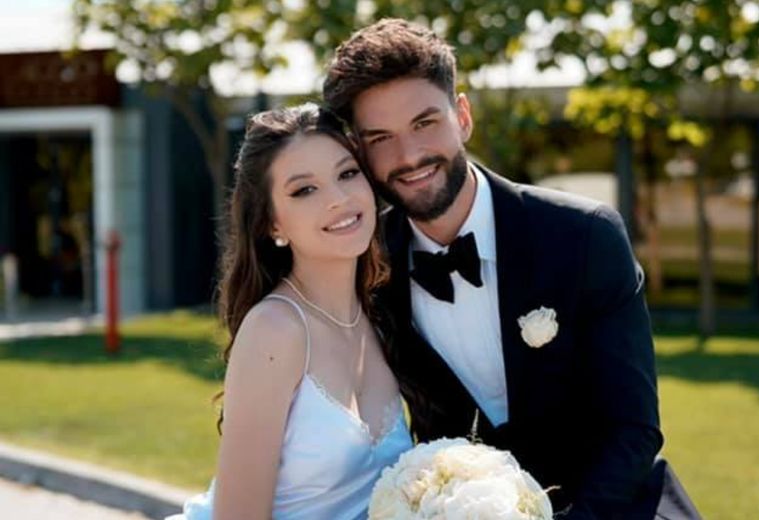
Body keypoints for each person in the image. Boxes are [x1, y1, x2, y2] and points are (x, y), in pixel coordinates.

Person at [323, 19, 674, 519]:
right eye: (380, 138)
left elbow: (633, 429)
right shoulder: (364, 265)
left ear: (462, 117)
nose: (409, 155)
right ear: (359, 150)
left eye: (425, 123)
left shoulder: (584, 236)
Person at [168, 103, 413, 520]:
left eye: (347, 174)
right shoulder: (275, 330)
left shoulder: (378, 316)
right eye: (305, 190)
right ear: (272, 224)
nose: (338, 199)